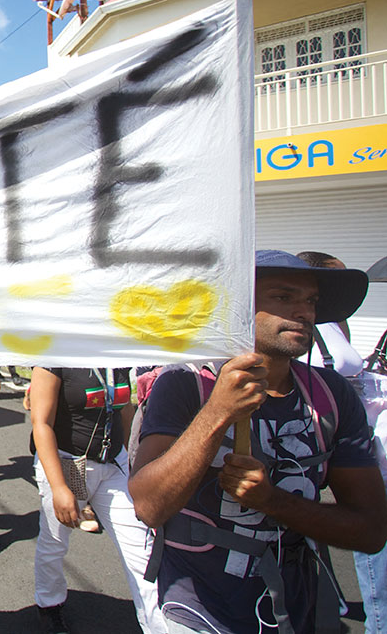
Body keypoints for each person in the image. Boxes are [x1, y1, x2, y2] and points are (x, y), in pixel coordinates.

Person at [130, 250, 387, 634]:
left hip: (300, 608)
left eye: (311, 301)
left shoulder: (331, 394)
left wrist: (272, 501)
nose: (303, 312)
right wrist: (218, 413)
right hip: (198, 610)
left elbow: (371, 530)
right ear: (238, 308)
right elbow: (149, 506)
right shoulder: (185, 384)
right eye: (283, 297)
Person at [28, 366, 164, 633]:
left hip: (114, 464)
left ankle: (159, 625)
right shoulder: (54, 355)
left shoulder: (113, 352)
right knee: (55, 543)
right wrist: (58, 488)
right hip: (68, 464)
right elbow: (40, 424)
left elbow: (124, 410)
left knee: (141, 547)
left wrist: (131, 461)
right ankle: (49, 604)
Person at [299, 251, 387, 633]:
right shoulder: (303, 328)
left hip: (355, 434)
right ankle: (376, 618)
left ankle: (326, 598)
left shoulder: (335, 323)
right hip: (320, 436)